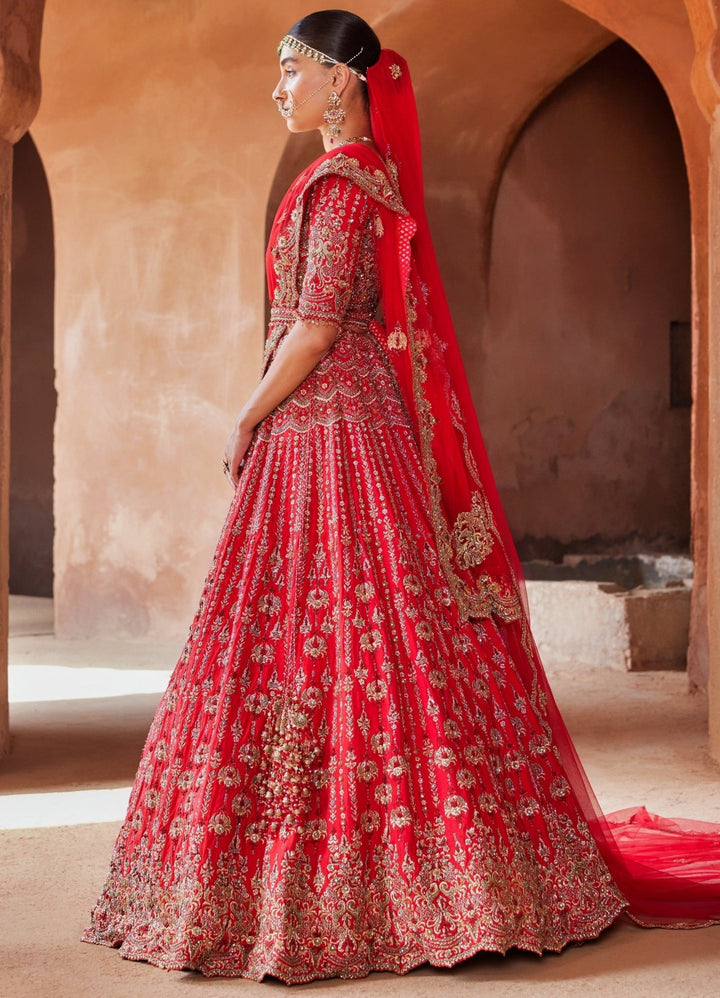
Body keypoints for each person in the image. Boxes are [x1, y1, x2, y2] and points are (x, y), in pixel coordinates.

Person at [82, 9, 720, 984]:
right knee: (379, 637)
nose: (278, 88)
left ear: (344, 80)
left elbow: (315, 324)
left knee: (350, 639)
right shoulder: (365, 180)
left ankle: (397, 889)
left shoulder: (341, 188)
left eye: (292, 70)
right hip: (347, 431)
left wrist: (247, 415)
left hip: (327, 434)